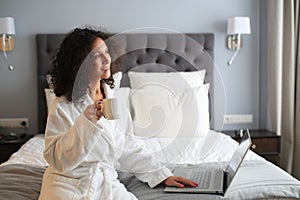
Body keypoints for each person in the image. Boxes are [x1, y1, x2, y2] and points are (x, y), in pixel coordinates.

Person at [39, 27, 198, 200]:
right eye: (96, 55)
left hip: (105, 182)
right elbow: (57, 159)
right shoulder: (63, 105)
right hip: (67, 183)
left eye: (106, 52)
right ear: (80, 63)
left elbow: (128, 145)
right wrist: (85, 123)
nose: (106, 59)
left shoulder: (112, 98)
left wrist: (161, 175)